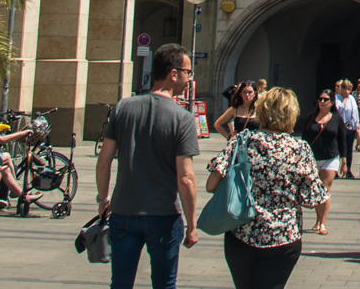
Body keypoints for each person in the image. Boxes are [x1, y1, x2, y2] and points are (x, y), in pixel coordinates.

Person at [97, 40, 202, 289]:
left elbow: (104, 161)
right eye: (188, 72)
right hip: (164, 216)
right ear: (173, 74)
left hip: (123, 212)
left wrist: (103, 201)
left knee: (120, 284)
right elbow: (186, 177)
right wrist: (191, 224)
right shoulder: (183, 119)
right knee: (164, 285)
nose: (189, 79)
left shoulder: (123, 107)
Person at [206, 86, 327, 289]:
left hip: (241, 232)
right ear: (291, 115)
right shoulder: (300, 148)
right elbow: (311, 199)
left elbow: (211, 185)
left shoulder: (241, 140)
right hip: (284, 236)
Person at [297, 91, 344, 234]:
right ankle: (318, 220)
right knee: (317, 190)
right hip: (313, 158)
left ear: (331, 103)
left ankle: (322, 223)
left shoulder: (336, 119)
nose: (322, 102)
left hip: (331, 158)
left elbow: (342, 140)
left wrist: (345, 161)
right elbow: (304, 139)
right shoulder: (311, 118)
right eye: (320, 99)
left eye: (326, 99)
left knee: (325, 190)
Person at [333, 81, 360, 179]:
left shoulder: (352, 98)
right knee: (339, 149)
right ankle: (335, 170)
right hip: (341, 127)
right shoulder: (337, 98)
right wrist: (344, 100)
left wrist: (357, 125)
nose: (348, 92)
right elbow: (339, 109)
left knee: (349, 149)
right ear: (342, 89)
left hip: (350, 127)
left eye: (350, 90)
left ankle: (348, 169)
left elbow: (355, 111)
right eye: (347, 89)